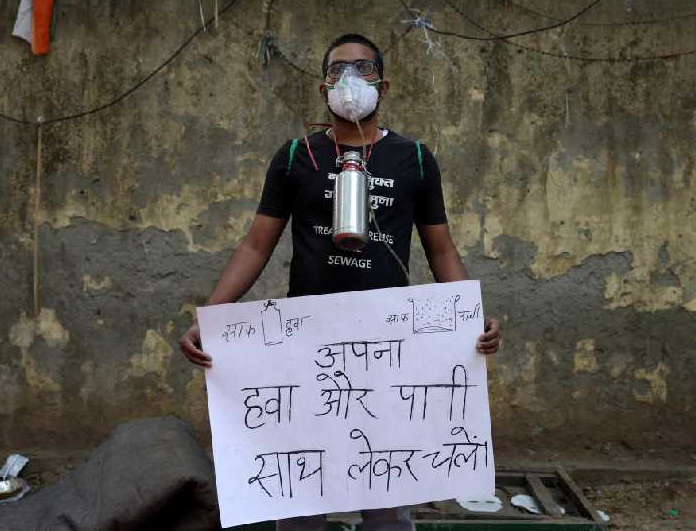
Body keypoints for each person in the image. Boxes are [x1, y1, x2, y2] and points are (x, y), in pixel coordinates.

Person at [179, 33, 501, 531]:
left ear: (383, 85)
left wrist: (470, 320)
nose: (350, 79)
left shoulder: (415, 160)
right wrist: (212, 316)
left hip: (388, 350)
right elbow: (256, 246)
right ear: (323, 88)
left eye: (363, 68)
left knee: (387, 494)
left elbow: (441, 249)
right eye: (337, 70)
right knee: (302, 491)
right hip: (307, 345)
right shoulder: (295, 157)